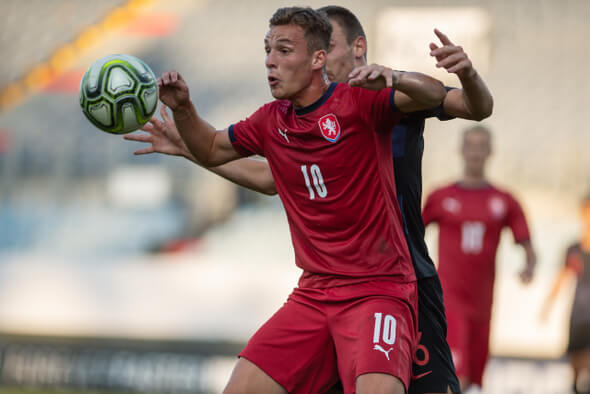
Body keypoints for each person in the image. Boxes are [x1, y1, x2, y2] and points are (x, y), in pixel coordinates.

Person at [126, 6, 494, 393]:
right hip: (316, 293)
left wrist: (418, 76)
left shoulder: (367, 100)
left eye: (283, 50)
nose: (270, 61)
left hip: (384, 288)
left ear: (336, 52)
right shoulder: (273, 120)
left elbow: (463, 103)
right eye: (268, 50)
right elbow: (229, 155)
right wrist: (184, 113)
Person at [422, 125, 537, 392]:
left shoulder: (504, 200)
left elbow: (528, 246)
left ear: (489, 152)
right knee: (455, 378)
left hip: (484, 305)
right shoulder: (441, 196)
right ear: (462, 151)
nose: (475, 153)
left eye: (481, 146)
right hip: (450, 301)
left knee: (473, 382)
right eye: (471, 146)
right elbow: (413, 237)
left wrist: (529, 267)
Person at [541, 193, 590, 394]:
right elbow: (562, 278)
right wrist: (547, 307)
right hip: (578, 316)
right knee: (576, 371)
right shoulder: (574, 250)